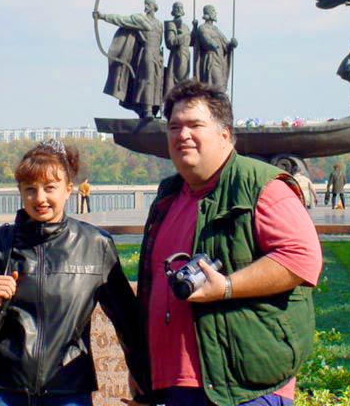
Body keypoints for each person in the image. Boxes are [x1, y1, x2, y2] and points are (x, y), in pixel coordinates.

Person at [127, 80, 322, 406]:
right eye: (174, 126)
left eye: (195, 125)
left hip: (244, 387)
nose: (182, 135)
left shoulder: (260, 185)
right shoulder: (167, 198)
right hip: (176, 386)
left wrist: (228, 287)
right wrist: (143, 368)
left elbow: (301, 258)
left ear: (225, 134)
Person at [0, 140, 149, 406]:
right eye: (30, 189)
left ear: (68, 189)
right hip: (4, 387)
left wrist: (145, 382)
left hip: (68, 387)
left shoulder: (95, 245)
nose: (40, 198)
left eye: (50, 188)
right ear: (20, 191)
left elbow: (127, 321)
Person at [95, 0, 164, 118]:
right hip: (147, 52)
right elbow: (121, 20)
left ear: (154, 6)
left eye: (148, 4)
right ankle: (147, 110)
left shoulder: (159, 24)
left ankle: (153, 110)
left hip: (157, 55)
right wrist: (103, 16)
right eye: (145, 4)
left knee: (158, 82)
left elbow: (160, 41)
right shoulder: (140, 19)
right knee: (148, 80)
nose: (146, 6)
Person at [192, 5, 238, 91]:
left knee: (219, 85)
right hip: (210, 60)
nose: (215, 13)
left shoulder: (216, 29)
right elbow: (206, 39)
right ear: (208, 13)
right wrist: (213, 45)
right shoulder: (202, 28)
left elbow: (225, 44)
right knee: (218, 84)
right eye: (213, 11)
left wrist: (232, 44)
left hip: (219, 60)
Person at [164, 1, 191, 98]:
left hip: (186, 56)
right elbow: (170, 42)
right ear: (173, 11)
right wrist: (182, 36)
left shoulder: (186, 26)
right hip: (178, 56)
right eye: (176, 7)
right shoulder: (171, 24)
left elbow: (191, 42)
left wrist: (195, 29)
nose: (179, 9)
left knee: (185, 81)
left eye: (181, 7)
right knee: (179, 82)